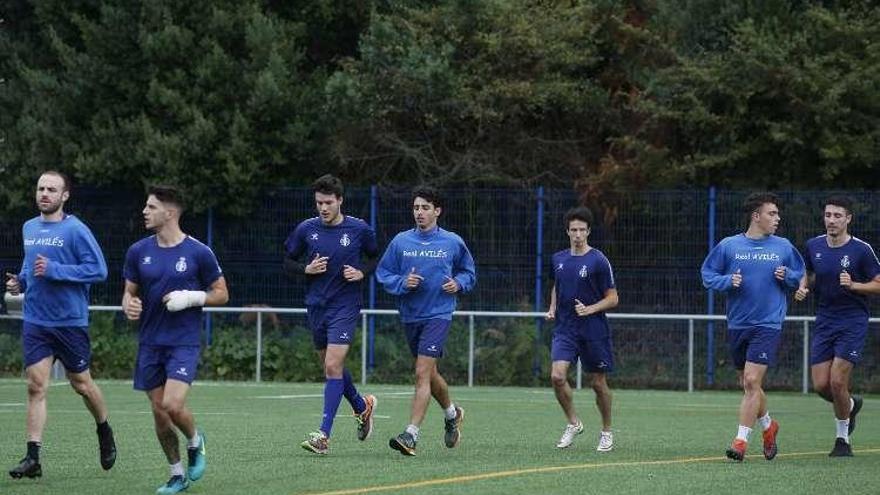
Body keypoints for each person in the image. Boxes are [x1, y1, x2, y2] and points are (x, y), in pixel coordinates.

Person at [6, 170, 116, 479]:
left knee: (81, 384)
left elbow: (99, 270)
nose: (44, 193)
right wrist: (21, 283)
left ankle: (104, 429)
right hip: (36, 320)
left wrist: (56, 269)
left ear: (64, 196)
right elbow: (31, 266)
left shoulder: (77, 230)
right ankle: (33, 457)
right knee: (35, 386)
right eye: (40, 188)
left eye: (52, 189)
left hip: (69, 322)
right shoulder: (29, 227)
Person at [122, 185, 229, 495]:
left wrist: (192, 297)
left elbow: (222, 293)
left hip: (183, 341)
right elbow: (129, 292)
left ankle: (196, 440)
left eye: (151, 207)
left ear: (169, 213)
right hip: (150, 342)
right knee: (159, 414)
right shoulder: (138, 252)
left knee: (172, 404)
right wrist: (129, 305)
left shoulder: (198, 252)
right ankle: (176, 474)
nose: (145, 211)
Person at [701, 192, 805, 462]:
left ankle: (740, 442)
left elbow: (800, 275)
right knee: (749, 386)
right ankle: (769, 426)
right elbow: (708, 274)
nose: (777, 218)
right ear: (756, 216)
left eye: (777, 213)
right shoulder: (728, 245)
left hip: (768, 323)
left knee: (751, 381)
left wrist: (789, 277)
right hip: (738, 323)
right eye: (772, 213)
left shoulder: (783, 246)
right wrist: (727, 281)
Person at [376, 185, 476, 456]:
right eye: (416, 208)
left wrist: (459, 283)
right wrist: (402, 282)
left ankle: (411, 434)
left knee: (421, 373)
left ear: (437, 211)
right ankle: (452, 414)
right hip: (410, 315)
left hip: (439, 314)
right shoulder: (400, 242)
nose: (419, 212)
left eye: (425, 208)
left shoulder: (452, 242)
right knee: (430, 374)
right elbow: (383, 273)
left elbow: (469, 272)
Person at [283, 174, 379, 455]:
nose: (323, 208)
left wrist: (362, 272)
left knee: (332, 365)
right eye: (318, 203)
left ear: (340, 201)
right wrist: (305, 270)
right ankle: (362, 407)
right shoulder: (306, 229)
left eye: (328, 202)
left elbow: (375, 257)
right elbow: (286, 261)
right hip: (316, 306)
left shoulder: (360, 229)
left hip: (345, 306)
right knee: (329, 365)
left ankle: (323, 435)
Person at [794, 196, 880, 457]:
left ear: (848, 219)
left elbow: (878, 283)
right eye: (828, 215)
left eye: (837, 216)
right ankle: (851, 405)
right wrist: (802, 287)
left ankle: (842, 440)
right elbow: (807, 273)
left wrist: (854, 285)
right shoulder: (813, 245)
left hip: (852, 321)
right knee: (821, 385)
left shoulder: (861, 250)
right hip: (825, 320)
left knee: (837, 381)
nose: (831, 220)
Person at [545, 206, 619, 452]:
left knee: (598, 384)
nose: (577, 234)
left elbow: (613, 298)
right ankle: (573, 423)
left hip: (593, 330)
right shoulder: (558, 259)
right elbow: (557, 285)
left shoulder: (598, 260)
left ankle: (607, 431)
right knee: (557, 376)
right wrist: (552, 307)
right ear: (567, 232)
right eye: (573, 230)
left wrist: (591, 309)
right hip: (565, 329)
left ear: (588, 232)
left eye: (582, 230)